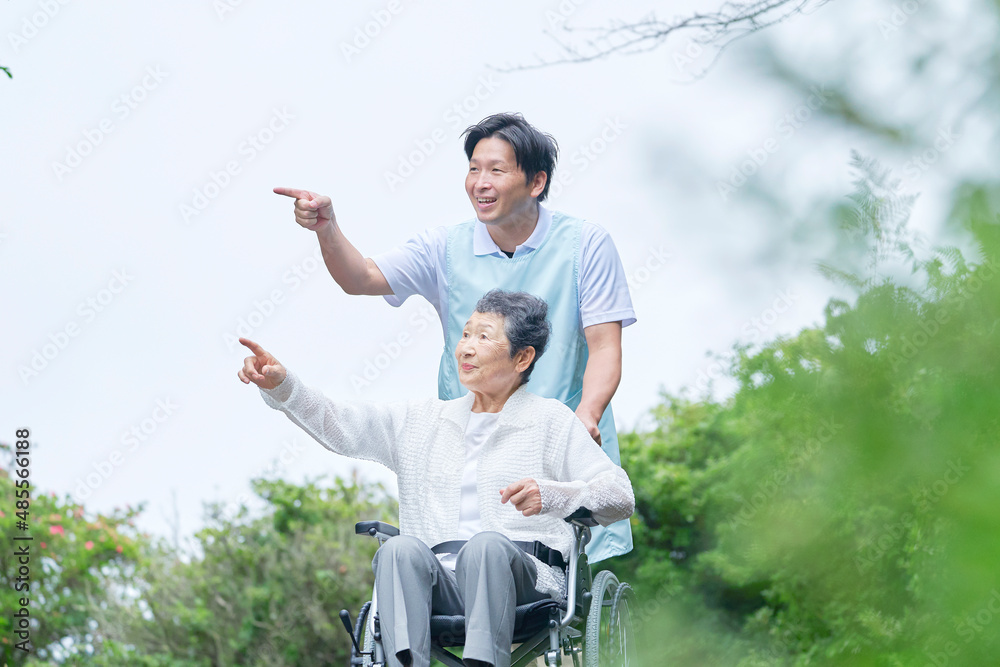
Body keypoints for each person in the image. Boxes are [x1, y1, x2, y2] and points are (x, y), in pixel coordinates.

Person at [272, 112, 636, 563]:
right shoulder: (443, 247)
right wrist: (327, 228)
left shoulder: (585, 245)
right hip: (471, 435)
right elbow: (361, 276)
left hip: (556, 434)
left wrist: (586, 416)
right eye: (473, 169)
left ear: (536, 182)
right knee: (451, 555)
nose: (480, 182)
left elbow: (603, 345)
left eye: (496, 170)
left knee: (554, 573)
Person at [238, 290, 634, 667]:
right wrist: (283, 385)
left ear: (522, 358)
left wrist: (552, 495)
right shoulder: (422, 421)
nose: (467, 347)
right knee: (398, 550)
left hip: (523, 578)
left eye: (484, 336)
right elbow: (341, 423)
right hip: (438, 582)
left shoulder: (550, 421)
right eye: (465, 334)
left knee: (485, 548)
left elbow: (618, 495)